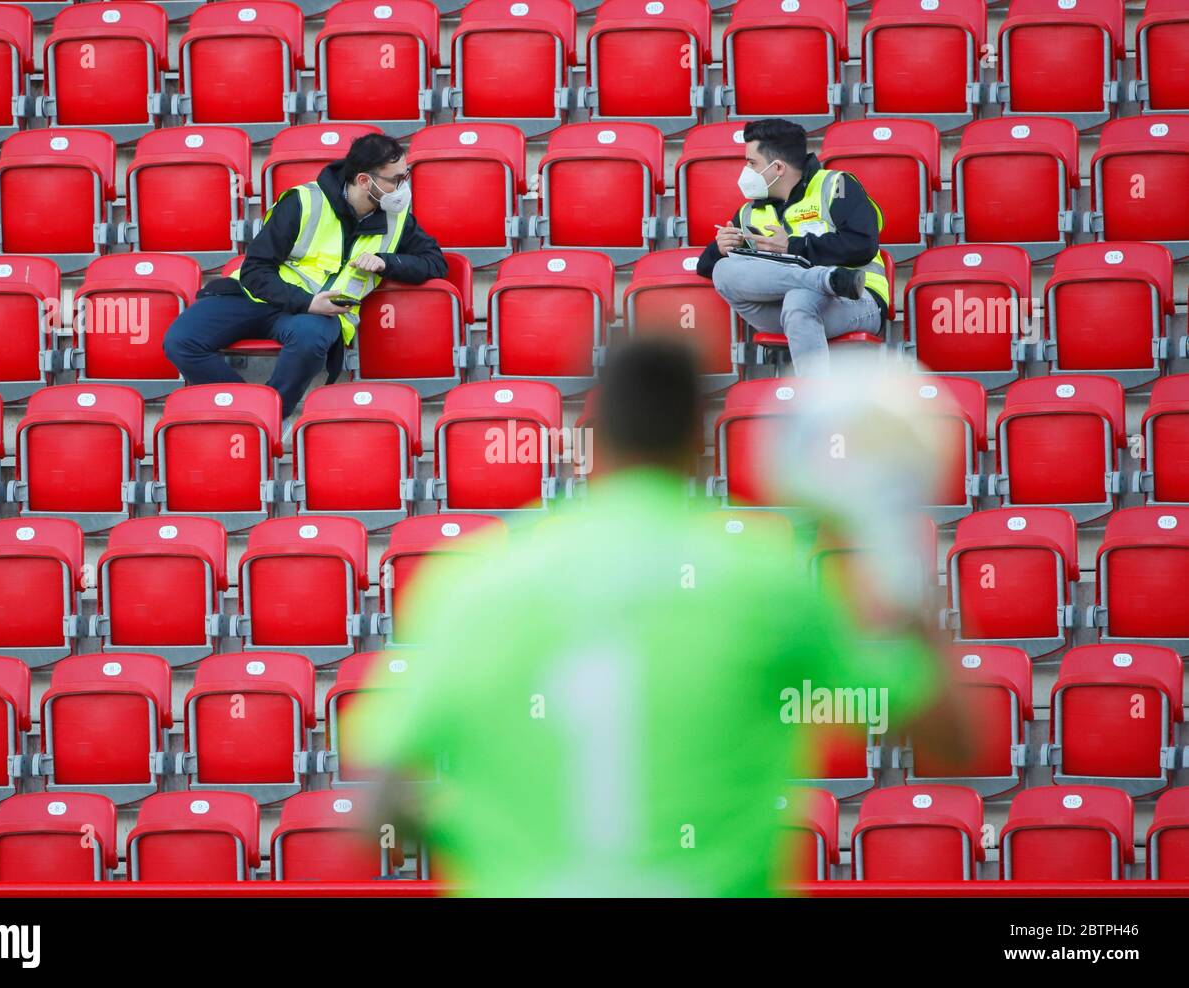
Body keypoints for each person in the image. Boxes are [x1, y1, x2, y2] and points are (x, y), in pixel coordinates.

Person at [350, 337, 965, 897]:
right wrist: (889, 541)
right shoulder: (767, 574)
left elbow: (377, 808)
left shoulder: (471, 580)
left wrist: (493, 848)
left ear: (589, 444)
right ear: (700, 444)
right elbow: (951, 738)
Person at [162, 133, 447, 417]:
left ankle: (270, 414)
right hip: (258, 297)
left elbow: (434, 263)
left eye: (404, 176)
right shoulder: (303, 202)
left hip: (319, 317)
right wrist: (308, 302)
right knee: (180, 340)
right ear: (364, 180)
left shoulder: (396, 217)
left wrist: (385, 262)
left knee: (310, 340)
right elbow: (255, 270)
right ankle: (245, 409)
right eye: (396, 179)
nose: (403, 187)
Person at [696, 118, 888, 377]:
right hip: (781, 308)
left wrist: (793, 247)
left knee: (800, 299)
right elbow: (706, 268)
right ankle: (824, 279)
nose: (746, 170)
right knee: (723, 270)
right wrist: (719, 248)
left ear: (777, 168)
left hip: (855, 300)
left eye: (752, 163)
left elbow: (863, 244)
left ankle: (813, 405)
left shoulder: (837, 186)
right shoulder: (751, 210)